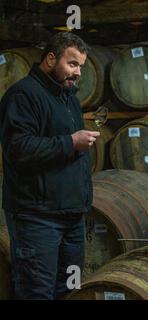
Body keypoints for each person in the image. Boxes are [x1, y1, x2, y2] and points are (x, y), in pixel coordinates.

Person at [0, 32, 99, 299]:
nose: (78, 72)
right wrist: (70, 142)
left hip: (70, 216)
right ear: (51, 58)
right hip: (38, 218)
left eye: (81, 66)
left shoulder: (67, 97)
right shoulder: (24, 95)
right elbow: (18, 148)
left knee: (67, 291)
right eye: (72, 64)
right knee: (38, 293)